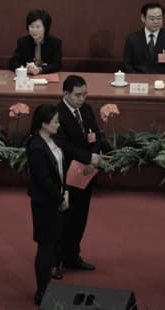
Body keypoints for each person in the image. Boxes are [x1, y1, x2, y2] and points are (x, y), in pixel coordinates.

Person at [55, 75, 104, 273]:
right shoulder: (57, 114)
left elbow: (96, 135)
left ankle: (72, 255)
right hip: (68, 173)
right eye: (77, 95)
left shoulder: (86, 109)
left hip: (87, 173)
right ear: (66, 94)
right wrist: (87, 157)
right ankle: (55, 261)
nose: (82, 99)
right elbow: (62, 144)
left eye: (85, 94)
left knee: (80, 216)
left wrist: (94, 155)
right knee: (65, 219)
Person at [26, 104, 69, 306]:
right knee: (45, 247)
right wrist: (60, 200)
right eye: (55, 122)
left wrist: (65, 192)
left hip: (57, 199)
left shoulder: (52, 141)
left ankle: (48, 286)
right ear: (44, 124)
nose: (59, 125)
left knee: (52, 246)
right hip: (45, 204)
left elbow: (61, 170)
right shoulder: (36, 147)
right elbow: (43, 180)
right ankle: (41, 291)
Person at [122, 2, 165, 74]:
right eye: (152, 18)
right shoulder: (132, 39)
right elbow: (127, 64)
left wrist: (164, 80)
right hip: (139, 82)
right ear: (143, 18)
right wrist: (137, 79)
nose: (156, 22)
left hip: (162, 82)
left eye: (159, 18)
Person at [9, 9, 63, 75]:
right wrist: (25, 69)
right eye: (31, 26)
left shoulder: (55, 43)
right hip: (27, 79)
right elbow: (13, 63)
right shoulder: (23, 42)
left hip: (47, 77)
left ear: (45, 28)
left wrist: (40, 70)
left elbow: (57, 64)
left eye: (38, 27)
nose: (34, 30)